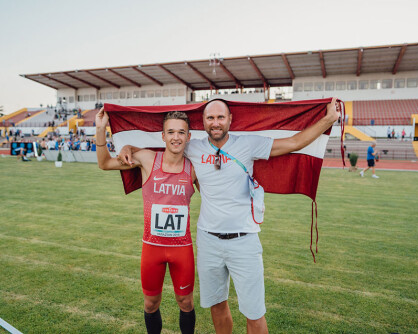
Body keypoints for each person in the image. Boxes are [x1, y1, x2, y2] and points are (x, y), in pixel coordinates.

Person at [120, 98, 340, 333]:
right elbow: (159, 152)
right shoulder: (192, 148)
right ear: (203, 123)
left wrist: (328, 119)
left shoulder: (249, 144)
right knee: (217, 306)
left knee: (254, 313)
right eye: (210, 118)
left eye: (220, 117)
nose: (215, 122)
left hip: (244, 240)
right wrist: (128, 149)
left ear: (230, 120)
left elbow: (295, 142)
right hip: (208, 241)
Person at [96, 109, 197, 334]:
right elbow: (104, 164)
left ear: (188, 136)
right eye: (170, 132)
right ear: (162, 135)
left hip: (182, 249)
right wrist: (101, 129)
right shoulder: (148, 159)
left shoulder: (194, 167)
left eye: (181, 132)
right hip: (152, 249)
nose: (176, 137)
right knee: (151, 304)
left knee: (186, 303)